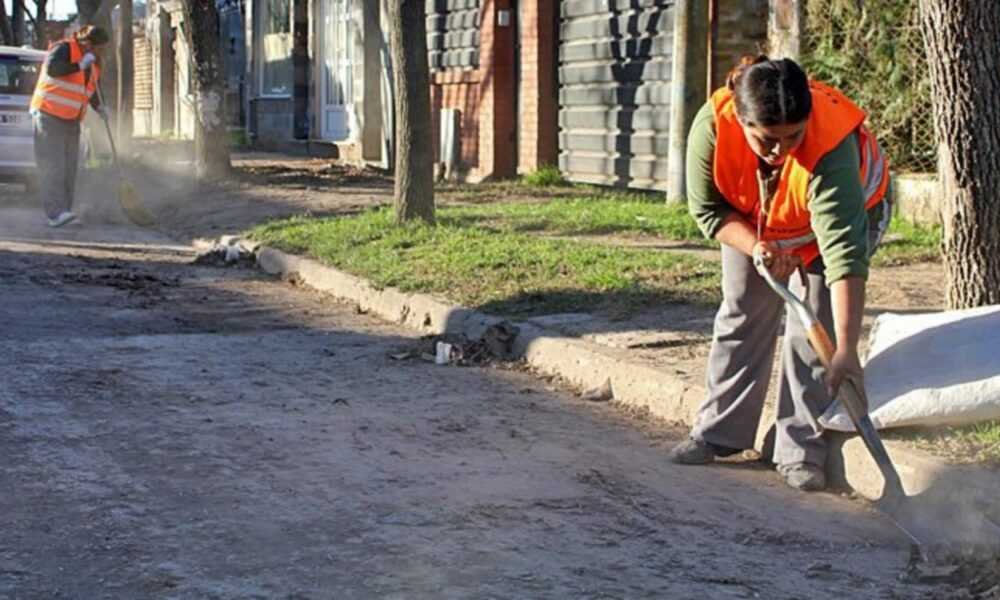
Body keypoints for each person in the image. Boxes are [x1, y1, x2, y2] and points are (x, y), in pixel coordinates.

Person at [667, 56, 893, 492]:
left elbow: (843, 254)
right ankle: (719, 432)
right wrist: (758, 248)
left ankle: (800, 450)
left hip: (845, 217)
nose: (782, 150)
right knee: (743, 308)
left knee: (812, 325)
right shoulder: (712, 128)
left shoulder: (831, 146)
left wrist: (846, 349)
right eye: (768, 139)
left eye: (794, 136)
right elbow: (708, 210)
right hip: (757, 221)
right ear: (741, 120)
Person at [30, 25, 111, 228]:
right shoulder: (64, 49)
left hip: (72, 119)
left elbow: (91, 90)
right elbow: (53, 69)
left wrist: (100, 107)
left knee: (69, 167)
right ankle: (55, 213)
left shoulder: (93, 64)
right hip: (49, 115)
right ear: (87, 43)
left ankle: (65, 211)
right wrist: (80, 65)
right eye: (100, 48)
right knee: (53, 166)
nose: (102, 52)